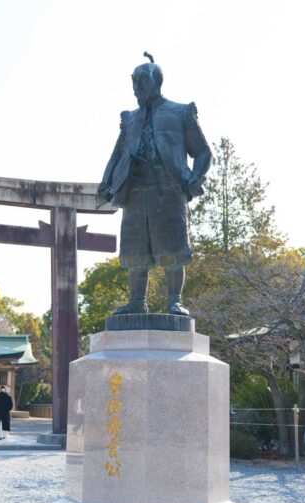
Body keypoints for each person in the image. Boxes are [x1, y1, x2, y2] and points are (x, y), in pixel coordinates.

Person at [97, 52, 211, 316]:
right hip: (134, 189)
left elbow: (203, 151)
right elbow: (118, 154)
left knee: (173, 249)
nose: (137, 89)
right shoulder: (130, 119)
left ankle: (175, 300)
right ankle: (137, 300)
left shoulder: (180, 112)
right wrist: (106, 182)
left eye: (141, 83)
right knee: (135, 252)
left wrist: (195, 177)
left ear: (156, 82)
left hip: (168, 189)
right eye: (134, 84)